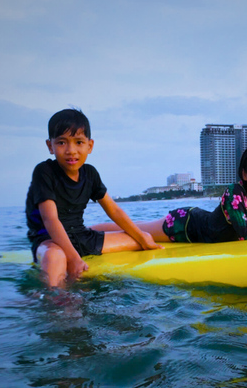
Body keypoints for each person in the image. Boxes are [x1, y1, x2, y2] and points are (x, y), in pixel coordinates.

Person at [25, 109, 161, 288]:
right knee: (55, 256)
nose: (71, 150)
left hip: (81, 236)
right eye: (62, 142)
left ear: (90, 146)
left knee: (141, 238)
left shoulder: (90, 174)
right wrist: (73, 259)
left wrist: (143, 239)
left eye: (79, 142)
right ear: (50, 146)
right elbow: (50, 219)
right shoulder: (44, 172)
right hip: (50, 239)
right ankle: (56, 305)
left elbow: (114, 210)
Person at [135, 143, 247, 243]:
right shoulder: (235, 193)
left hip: (201, 226)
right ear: (244, 174)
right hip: (186, 226)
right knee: (135, 232)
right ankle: (104, 230)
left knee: (138, 228)